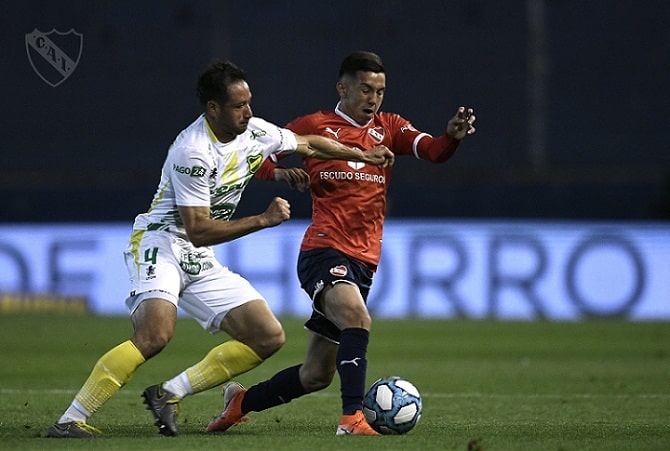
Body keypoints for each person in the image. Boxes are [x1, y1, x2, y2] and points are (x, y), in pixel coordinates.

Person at [45, 59, 394, 439]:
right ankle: (69, 420)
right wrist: (262, 219)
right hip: (160, 243)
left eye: (249, 102)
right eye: (238, 106)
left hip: (197, 256)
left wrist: (360, 155)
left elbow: (308, 143)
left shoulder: (255, 131)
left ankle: (169, 393)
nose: (248, 112)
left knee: (267, 336)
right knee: (155, 335)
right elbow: (197, 230)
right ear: (213, 108)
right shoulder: (192, 151)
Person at [205, 50, 476, 436]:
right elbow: (252, 156)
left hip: (364, 260)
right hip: (323, 249)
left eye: (380, 91)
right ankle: (352, 419)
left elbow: (432, 151)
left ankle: (240, 403)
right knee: (357, 318)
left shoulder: (390, 127)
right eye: (365, 89)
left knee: (316, 374)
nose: (373, 99)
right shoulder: (314, 126)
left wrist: (451, 136)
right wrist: (282, 173)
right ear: (342, 87)